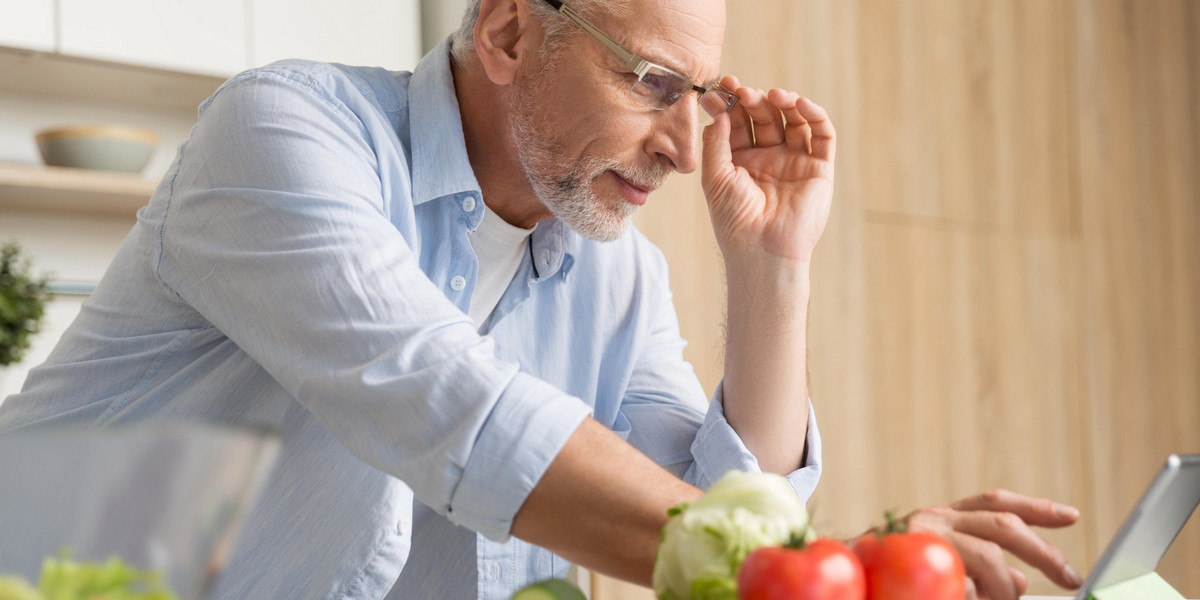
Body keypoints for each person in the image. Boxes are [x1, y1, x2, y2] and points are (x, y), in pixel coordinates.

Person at [0, 0, 1084, 598]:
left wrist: (771, 266)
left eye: (698, 99)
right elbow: (447, 408)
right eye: (649, 83)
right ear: (512, 33)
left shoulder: (614, 272)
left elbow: (707, 520)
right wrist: (839, 570)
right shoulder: (287, 133)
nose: (679, 143)